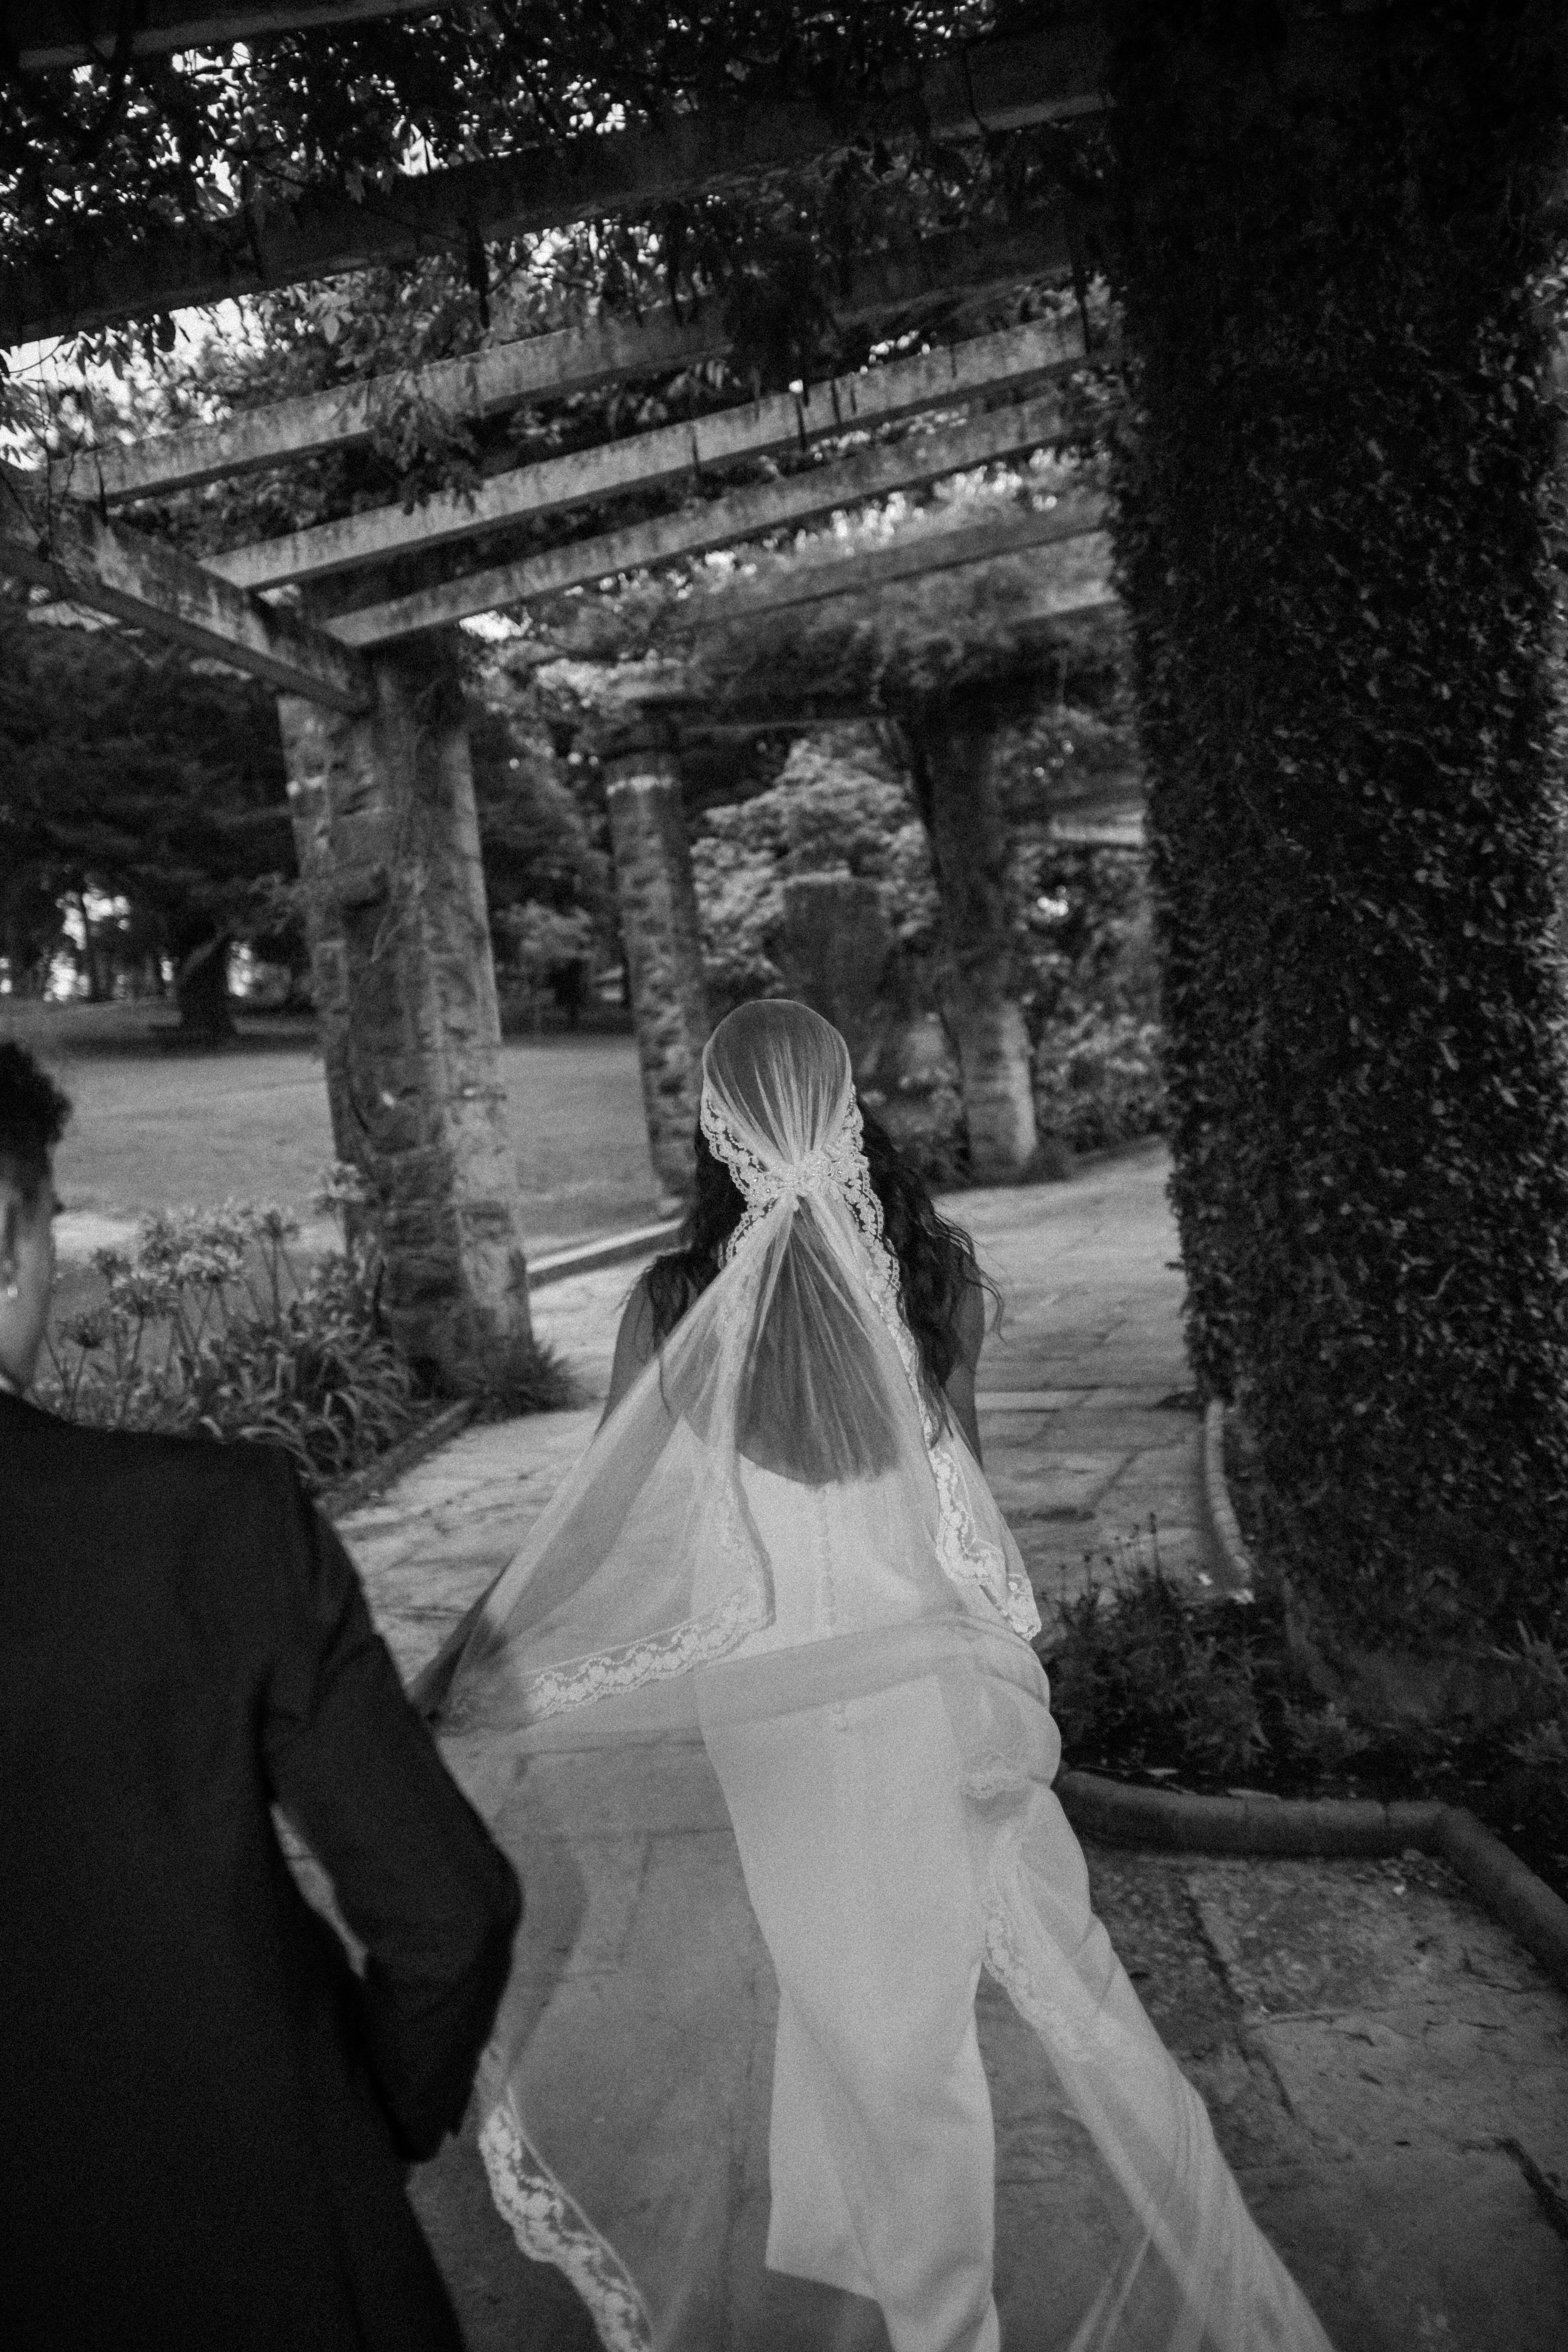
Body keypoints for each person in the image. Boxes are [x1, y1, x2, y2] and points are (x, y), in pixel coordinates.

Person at [422, 999, 1337, 2352]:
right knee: (885, 1995)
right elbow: (963, 1500)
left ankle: (944, 2323)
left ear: (718, 1138)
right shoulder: (929, 1282)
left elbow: (601, 1523)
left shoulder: (678, 1307)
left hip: (778, 1708)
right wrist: (1001, 1675)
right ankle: (853, 2252)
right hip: (926, 1681)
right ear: (847, 1119)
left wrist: (465, 1659)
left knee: (886, 2018)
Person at [0, 1039, 523, 2352]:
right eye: (51, 1221)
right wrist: (379, 2113)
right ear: (2, 1240)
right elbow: (445, 1909)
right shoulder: (204, 1529)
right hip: (255, 2229)